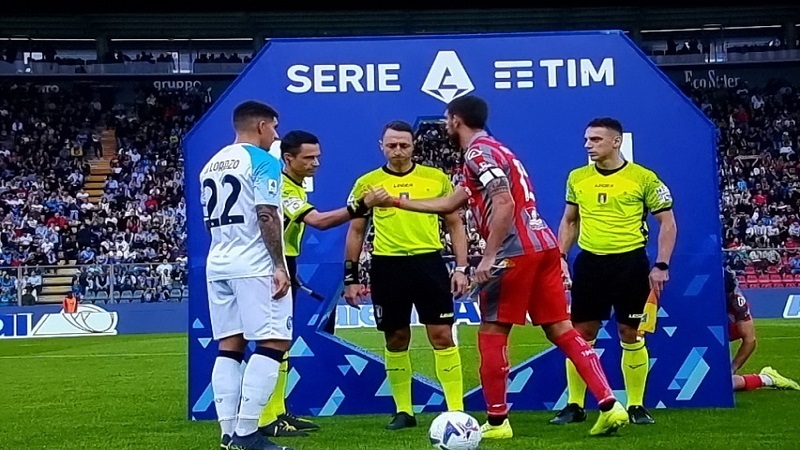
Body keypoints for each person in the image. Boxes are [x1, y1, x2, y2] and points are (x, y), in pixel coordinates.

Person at [368, 96, 629, 438]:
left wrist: (489, 256)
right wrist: (397, 202)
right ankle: (610, 404)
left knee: (491, 332)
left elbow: (503, 201)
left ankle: (497, 422)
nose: (445, 126)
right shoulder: (496, 150)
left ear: (456, 120)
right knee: (561, 328)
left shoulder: (478, 153)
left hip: (513, 252)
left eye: (447, 120)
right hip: (542, 245)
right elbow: (450, 203)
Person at [343, 120, 470, 431]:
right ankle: (404, 411)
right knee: (396, 337)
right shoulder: (367, 183)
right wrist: (351, 277)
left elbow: (455, 224)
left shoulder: (436, 178)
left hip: (429, 263)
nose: (398, 150)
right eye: (391, 145)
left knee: (442, 335)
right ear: (381, 147)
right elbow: (356, 231)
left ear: (414, 146)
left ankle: (456, 409)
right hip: (388, 266)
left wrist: (462, 268)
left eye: (403, 145)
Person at [552, 117, 677, 427]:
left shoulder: (643, 178)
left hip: (629, 264)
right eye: (586, 140)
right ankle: (575, 405)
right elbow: (570, 220)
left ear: (616, 141)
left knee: (631, 333)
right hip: (590, 264)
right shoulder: (577, 177)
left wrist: (661, 264)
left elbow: (667, 223)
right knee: (581, 335)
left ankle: (635, 405)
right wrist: (560, 257)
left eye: (595, 140)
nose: (588, 145)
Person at [258, 130, 380, 438]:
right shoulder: (282, 186)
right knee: (273, 340)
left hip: (284, 263)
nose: (316, 163)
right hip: (271, 267)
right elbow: (320, 222)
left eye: (317, 156)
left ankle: (278, 412)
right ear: (288, 158)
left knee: (282, 339)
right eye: (309, 157)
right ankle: (267, 417)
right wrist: (361, 205)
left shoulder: (294, 185)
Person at [200, 100, 293, 450]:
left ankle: (228, 434)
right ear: (261, 126)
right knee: (274, 341)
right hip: (253, 263)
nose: (276, 135)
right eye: (274, 127)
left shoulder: (211, 164)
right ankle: (247, 433)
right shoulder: (262, 161)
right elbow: (267, 213)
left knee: (230, 345)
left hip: (219, 261)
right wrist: (279, 264)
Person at [725, 267, 800, 392]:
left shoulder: (736, 302)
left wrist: (732, 368)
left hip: (718, 333)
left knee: (716, 384)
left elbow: (750, 339)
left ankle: (766, 378)